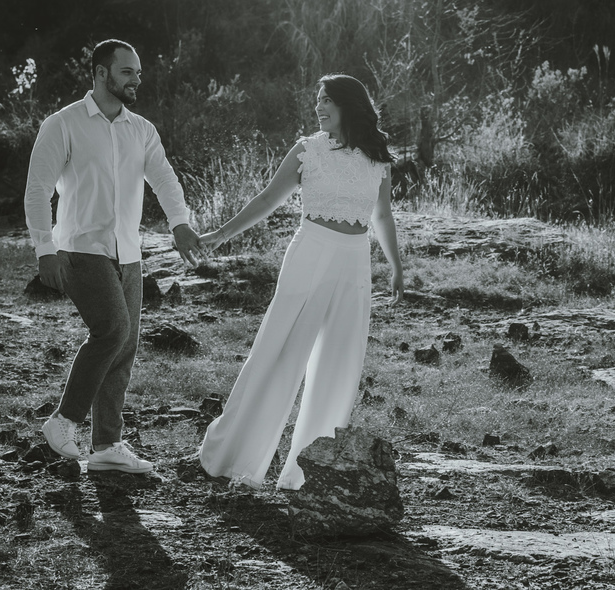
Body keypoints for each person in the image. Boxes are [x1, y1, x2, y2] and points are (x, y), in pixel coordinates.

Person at [197, 73, 404, 490]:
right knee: (279, 351)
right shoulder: (307, 150)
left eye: (327, 100)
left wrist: (396, 266)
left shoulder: (377, 160)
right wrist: (220, 234)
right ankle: (234, 456)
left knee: (340, 362)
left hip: (354, 263)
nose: (318, 107)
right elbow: (267, 199)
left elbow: (382, 216)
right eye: (318, 100)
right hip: (310, 254)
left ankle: (308, 473)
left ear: (348, 105)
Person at [24, 39, 202, 474]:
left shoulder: (141, 129)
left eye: (138, 72)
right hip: (80, 248)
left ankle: (107, 445)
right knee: (112, 330)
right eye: (127, 71)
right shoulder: (63, 124)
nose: (136, 79)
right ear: (101, 73)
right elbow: (37, 190)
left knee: (125, 346)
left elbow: (164, 178)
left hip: (129, 252)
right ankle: (63, 420)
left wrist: (179, 223)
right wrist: (45, 249)